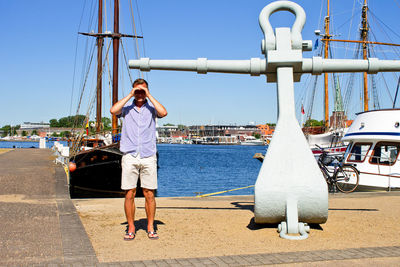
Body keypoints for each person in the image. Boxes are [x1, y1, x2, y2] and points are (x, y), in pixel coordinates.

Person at [110, 78, 167, 241]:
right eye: (138, 90)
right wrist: (130, 94)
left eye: (143, 91)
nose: (140, 93)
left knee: (149, 193)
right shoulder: (127, 108)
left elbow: (163, 113)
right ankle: (131, 227)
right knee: (129, 193)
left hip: (148, 155)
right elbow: (113, 110)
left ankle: (150, 226)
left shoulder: (151, 108)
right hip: (130, 154)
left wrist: (149, 94)